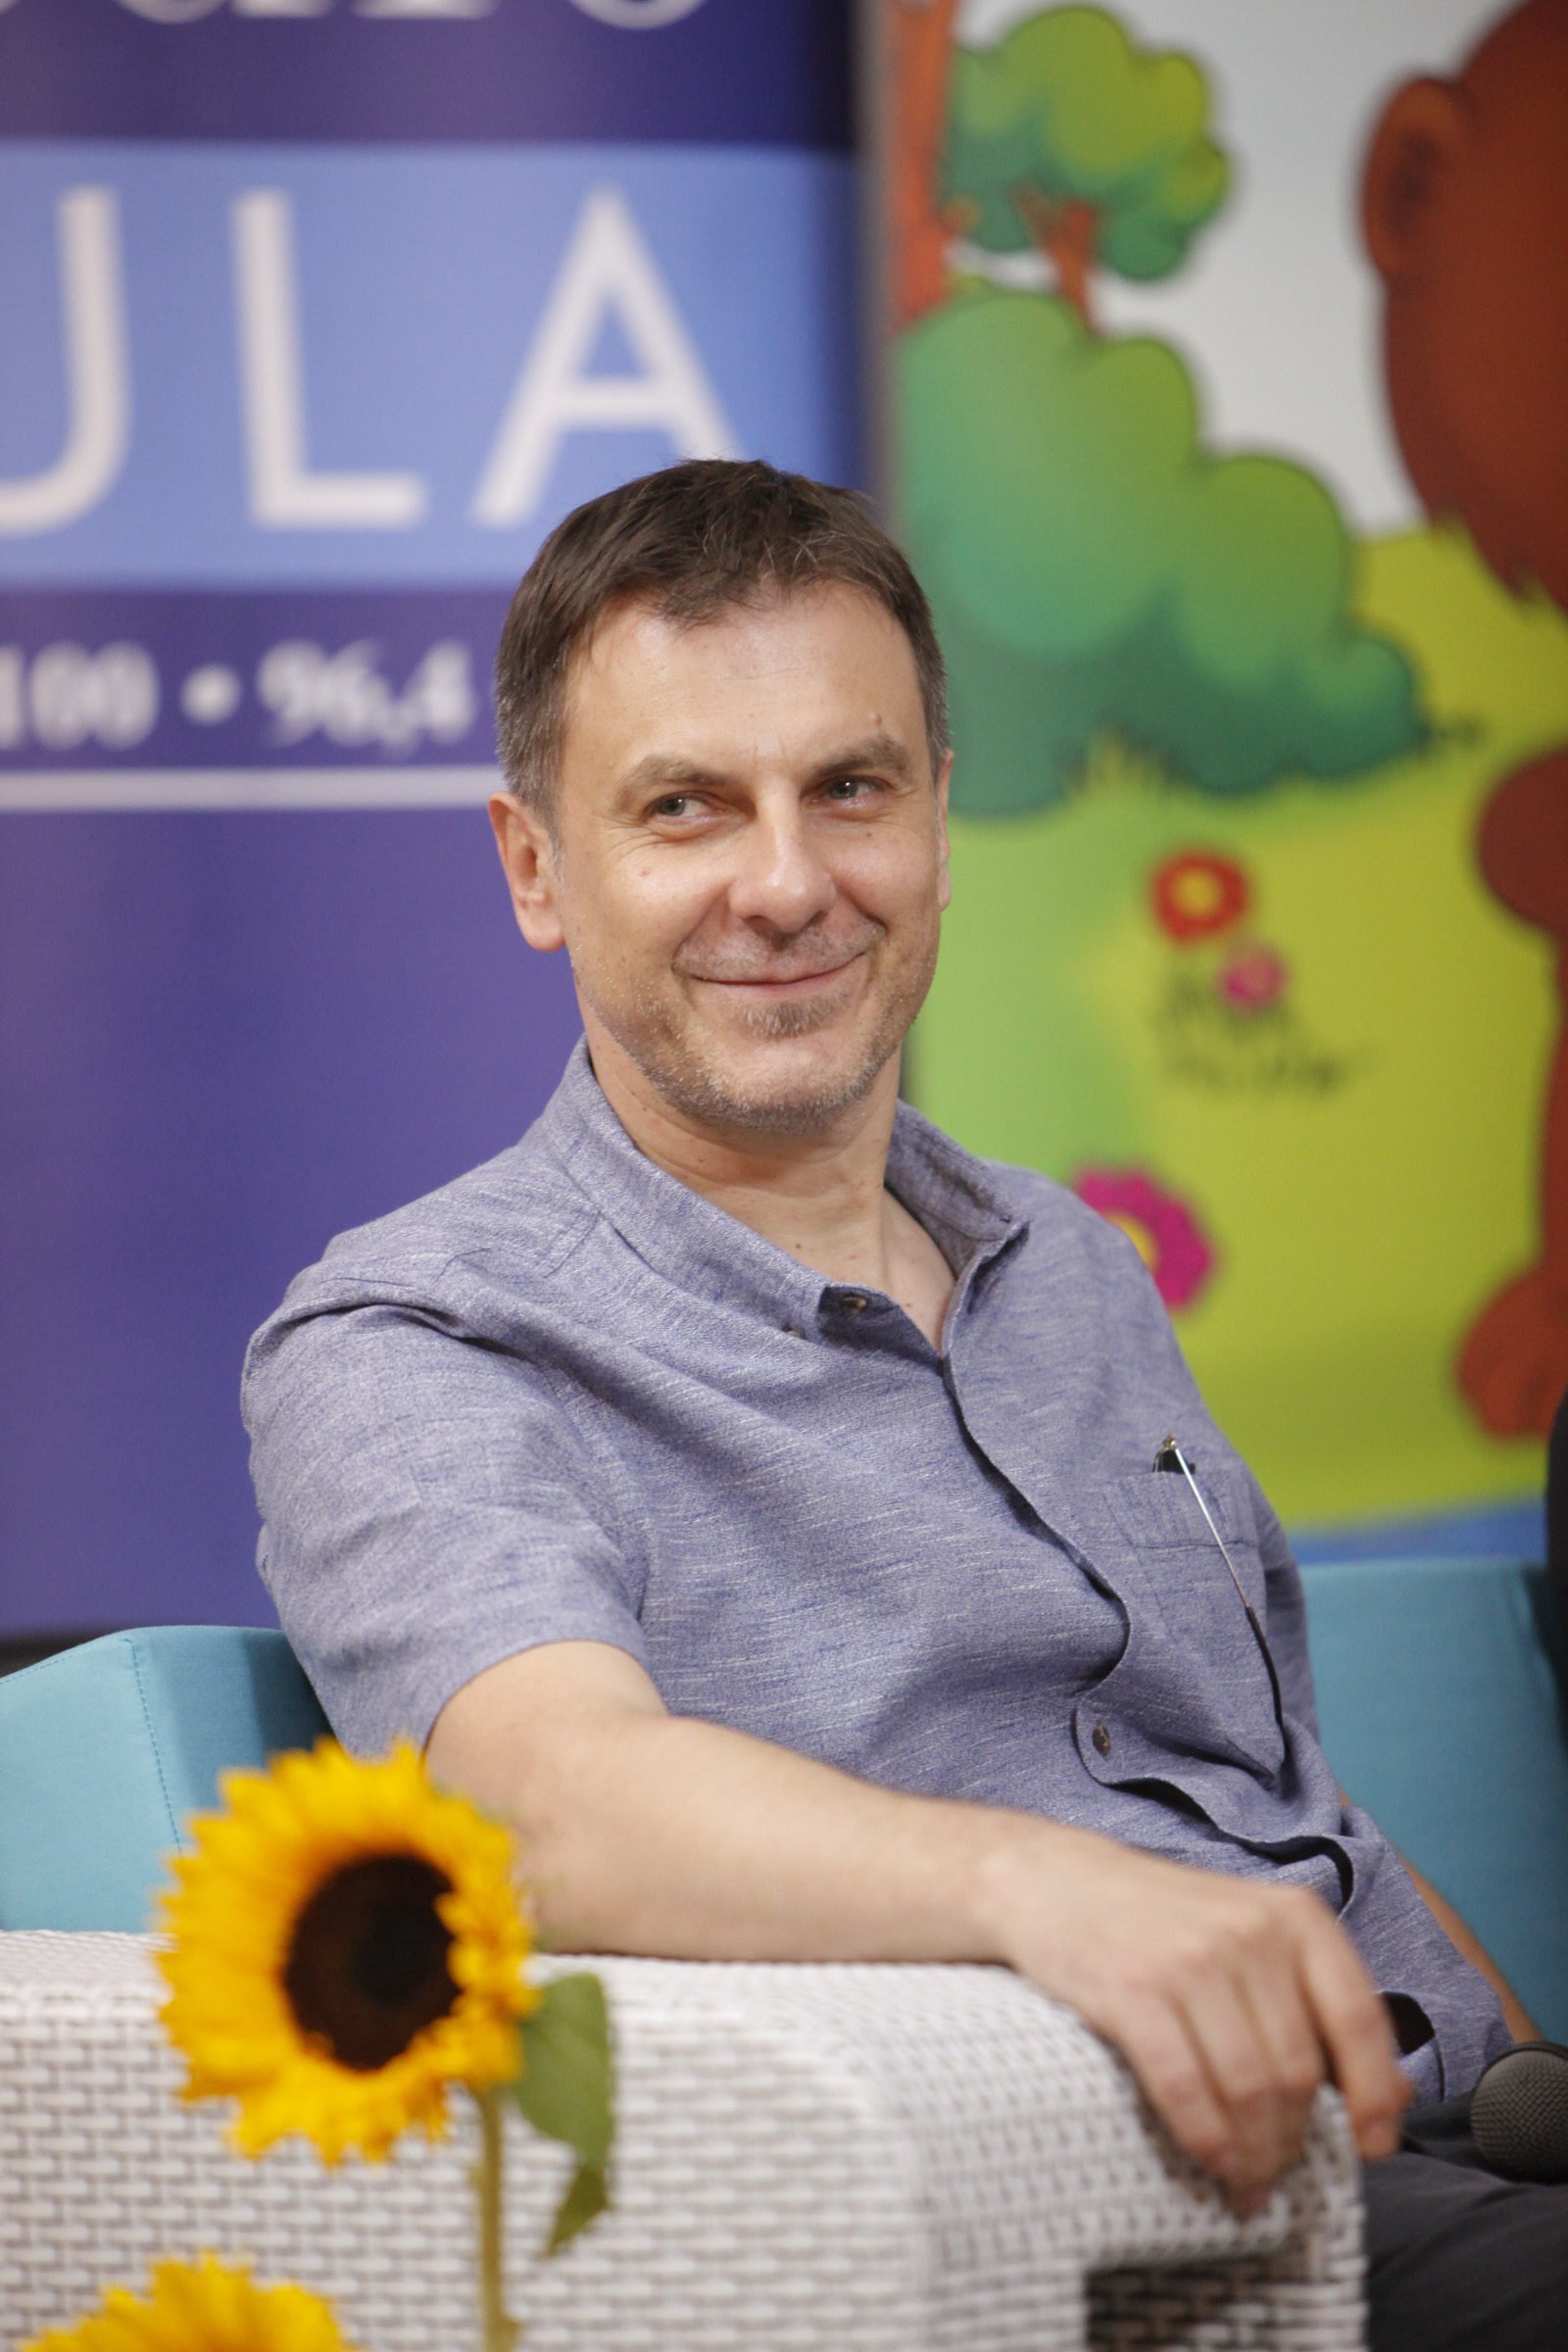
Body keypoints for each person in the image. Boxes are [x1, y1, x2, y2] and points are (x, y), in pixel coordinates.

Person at [245, 460, 1565, 2349]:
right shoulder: (415, 1333)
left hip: (1465, 2147)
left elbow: (1273, 1796)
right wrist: (1046, 1891)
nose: (789, 884)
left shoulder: (1074, 1263)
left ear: (940, 822)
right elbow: (545, 1809)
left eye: (850, 789)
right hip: (1114, 2219)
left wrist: (1510, 2052)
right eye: (686, 807)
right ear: (536, 867)